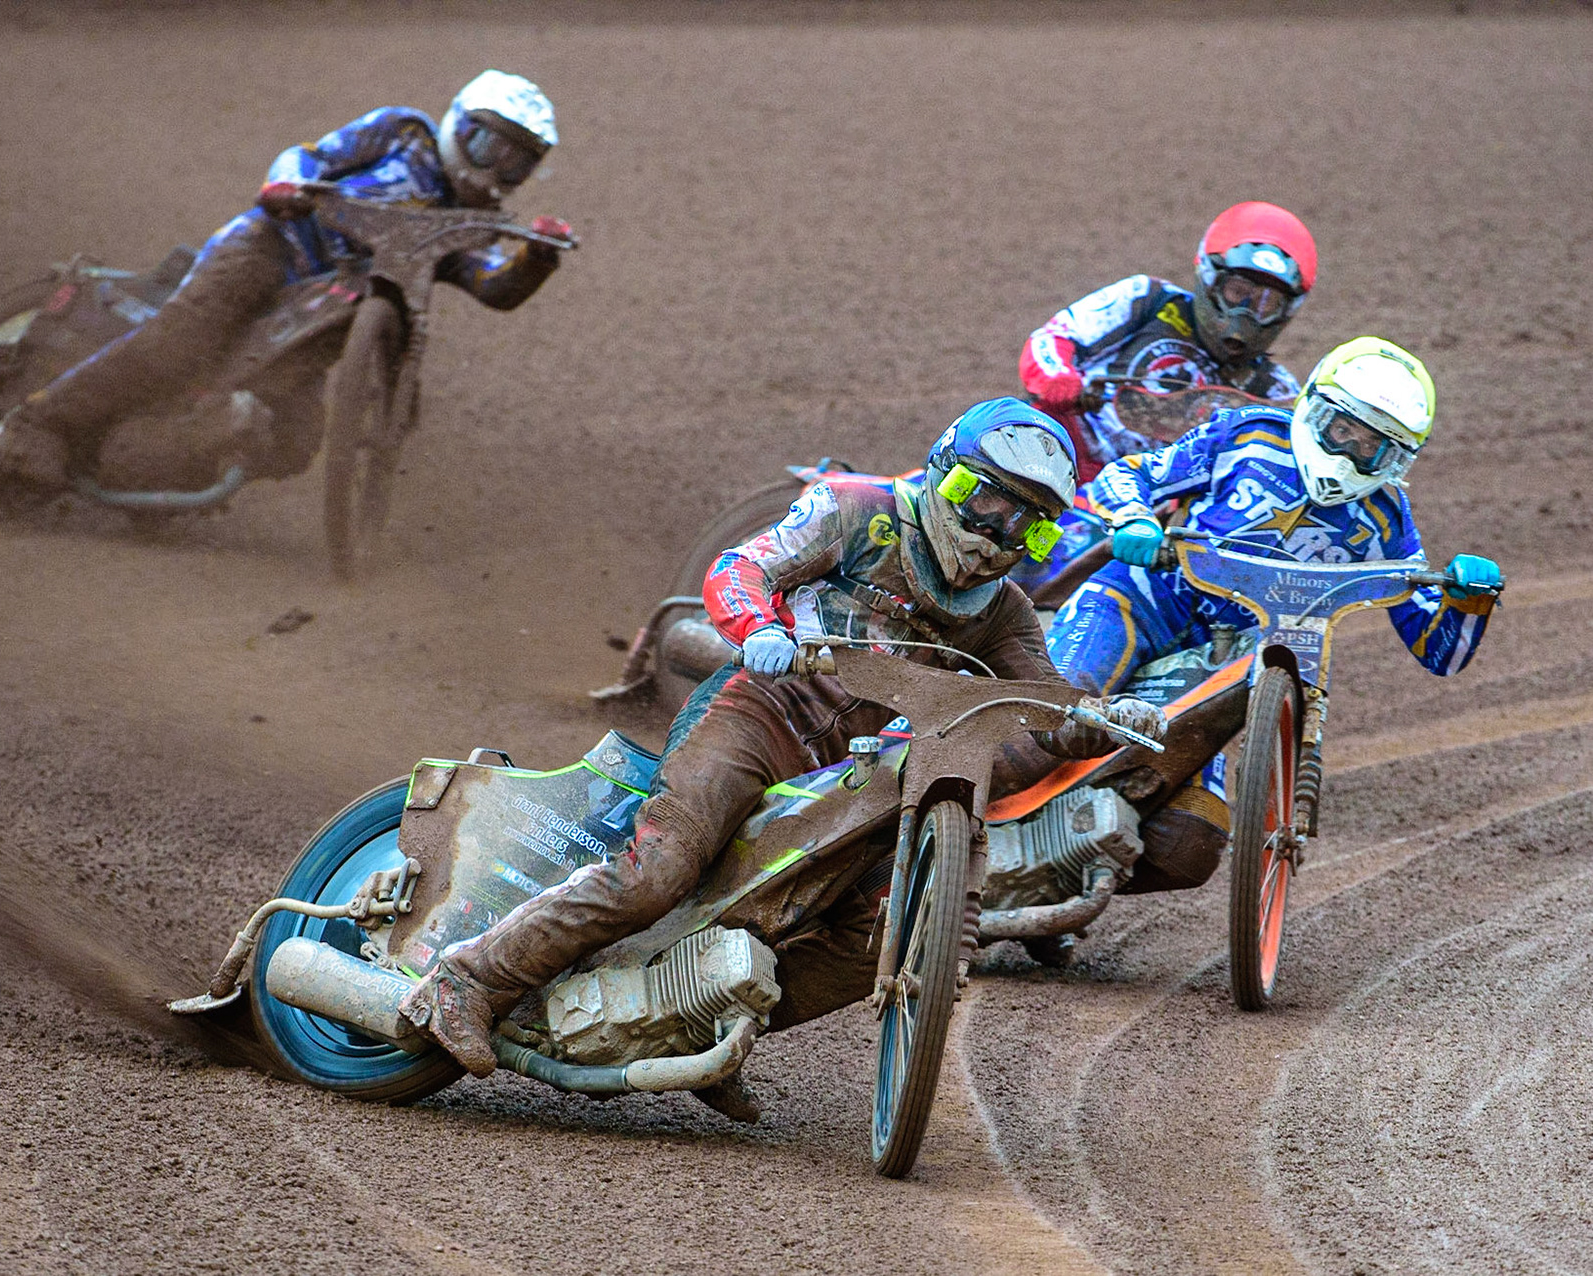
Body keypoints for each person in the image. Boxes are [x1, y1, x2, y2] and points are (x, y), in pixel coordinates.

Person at [398, 398, 1167, 1119]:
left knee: (871, 930)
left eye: (1025, 526)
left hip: (852, 766)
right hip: (758, 714)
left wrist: (1106, 718)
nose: (999, 535)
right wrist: (757, 626)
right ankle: (466, 981)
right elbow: (742, 569)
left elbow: (1043, 708)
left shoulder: (1002, 611)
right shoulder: (857, 510)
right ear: (947, 474)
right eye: (990, 505)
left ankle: (699, 1029)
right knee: (662, 870)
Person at [1044, 336, 1502, 894]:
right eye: (1342, 430)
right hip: (1144, 600)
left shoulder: (1386, 520)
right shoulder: (1249, 433)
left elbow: (1440, 651)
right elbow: (1130, 474)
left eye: (1371, 447)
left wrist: (1468, 598)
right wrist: (1134, 520)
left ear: (1396, 460)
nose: (1348, 452)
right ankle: (957, 823)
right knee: (1056, 716)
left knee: (1188, 844)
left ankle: (1057, 880)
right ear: (1314, 407)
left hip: (1229, 662)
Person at [0, 69, 571, 487]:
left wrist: (538, 256)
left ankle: (148, 467)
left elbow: (491, 284)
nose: (497, 167)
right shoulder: (401, 132)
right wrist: (285, 190)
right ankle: (34, 424)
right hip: (276, 248)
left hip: (323, 318)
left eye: (518, 161)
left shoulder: (472, 224)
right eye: (488, 143)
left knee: (294, 439)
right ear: (459, 120)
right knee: (183, 339)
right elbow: (310, 155)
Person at [1013, 202, 1318, 594]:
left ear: (1286, 311)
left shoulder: (1277, 394)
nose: (1247, 313)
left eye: (1266, 303)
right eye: (1238, 293)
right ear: (1210, 278)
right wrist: (1064, 382)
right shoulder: (1148, 301)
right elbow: (1052, 340)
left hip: (1139, 507)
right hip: (1054, 458)